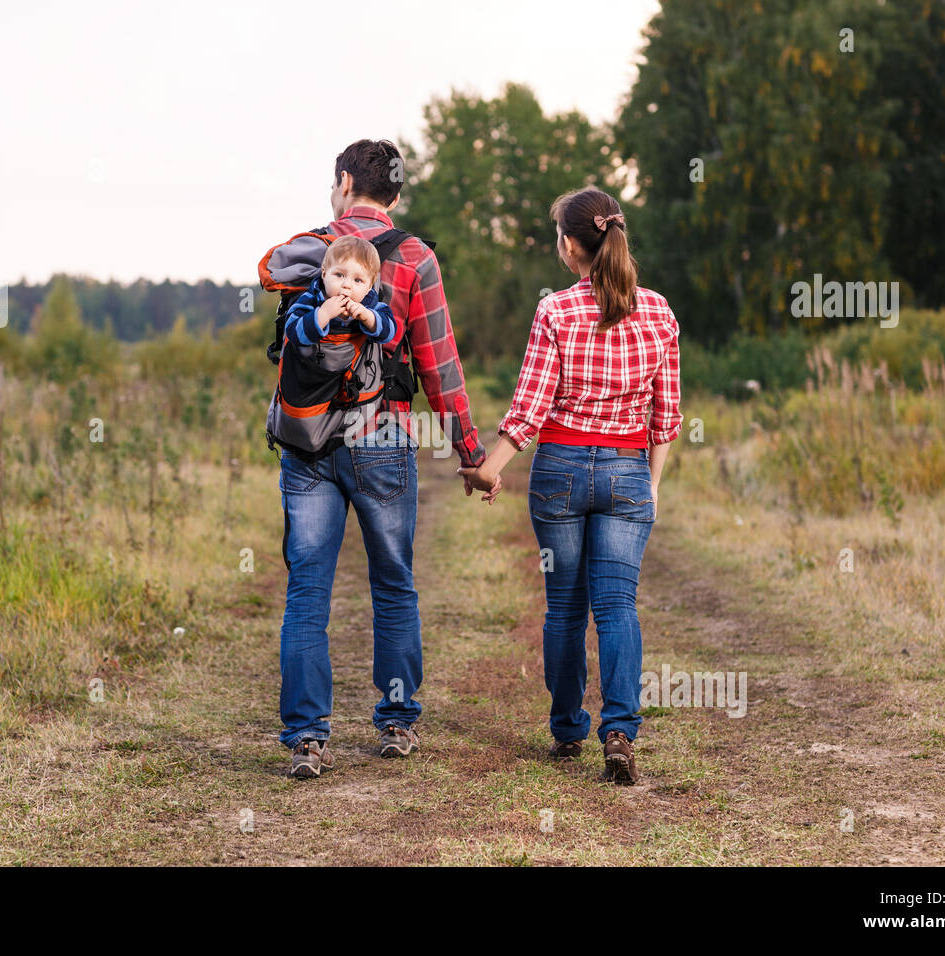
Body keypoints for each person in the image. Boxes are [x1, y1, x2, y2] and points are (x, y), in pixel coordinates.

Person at [278, 139, 492, 779]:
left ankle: (308, 736)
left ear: (344, 182)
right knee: (394, 581)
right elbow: (439, 366)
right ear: (395, 196)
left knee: (307, 587)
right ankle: (396, 722)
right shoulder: (416, 258)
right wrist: (471, 453)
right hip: (382, 436)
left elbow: (292, 347)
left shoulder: (307, 251)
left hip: (308, 438)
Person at [458, 185, 682, 785]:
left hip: (559, 470)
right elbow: (667, 417)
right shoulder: (659, 311)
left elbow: (528, 410)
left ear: (568, 246)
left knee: (564, 606)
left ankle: (565, 727)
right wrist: (651, 484)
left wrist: (491, 466)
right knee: (617, 606)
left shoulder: (555, 310)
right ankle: (619, 731)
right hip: (627, 471)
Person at [282, 235, 396, 347]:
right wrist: (323, 314)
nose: (347, 285)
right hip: (310, 363)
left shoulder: (371, 305)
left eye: (358, 280)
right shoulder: (310, 300)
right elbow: (292, 333)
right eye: (339, 275)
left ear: (369, 287)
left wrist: (368, 317)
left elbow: (390, 333)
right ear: (324, 274)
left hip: (355, 364)